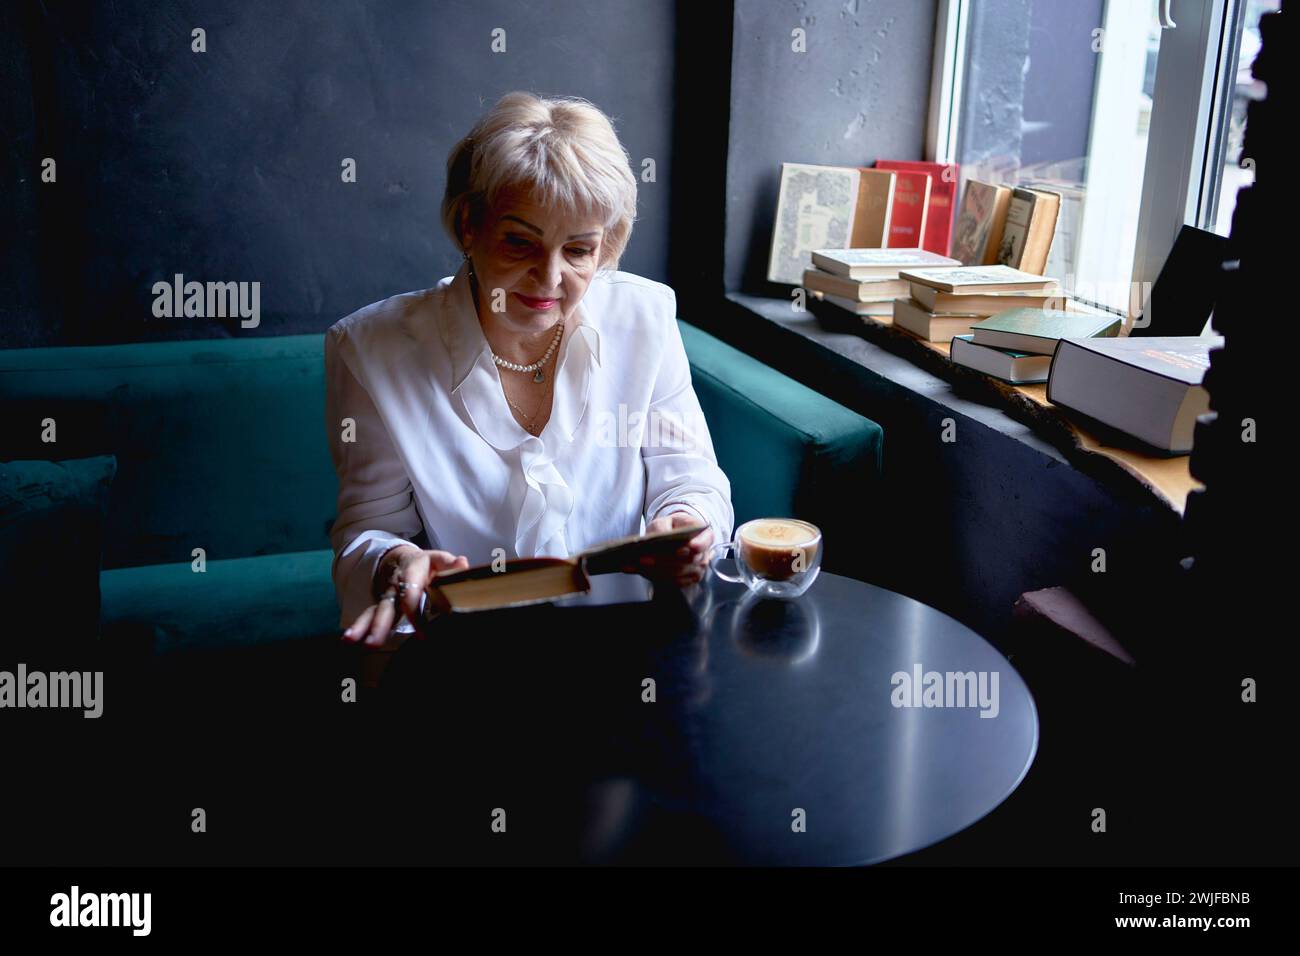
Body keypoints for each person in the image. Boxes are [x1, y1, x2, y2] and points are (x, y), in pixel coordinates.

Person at [325, 91, 733, 650]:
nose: (548, 279)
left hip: (634, 646)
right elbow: (368, 529)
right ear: (469, 224)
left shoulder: (645, 318)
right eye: (521, 243)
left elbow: (690, 477)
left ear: (606, 244)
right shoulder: (372, 349)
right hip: (471, 655)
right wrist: (396, 562)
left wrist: (685, 527)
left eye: (579, 250)